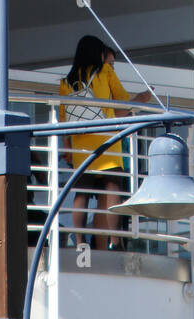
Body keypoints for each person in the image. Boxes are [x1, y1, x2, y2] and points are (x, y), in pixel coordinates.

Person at [59, 35, 151, 251]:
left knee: (81, 194)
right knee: (112, 187)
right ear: (97, 53)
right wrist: (139, 99)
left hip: (82, 144)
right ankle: (114, 240)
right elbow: (121, 99)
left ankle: (81, 242)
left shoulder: (66, 82)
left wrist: (68, 146)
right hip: (107, 140)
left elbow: (63, 118)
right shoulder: (105, 72)